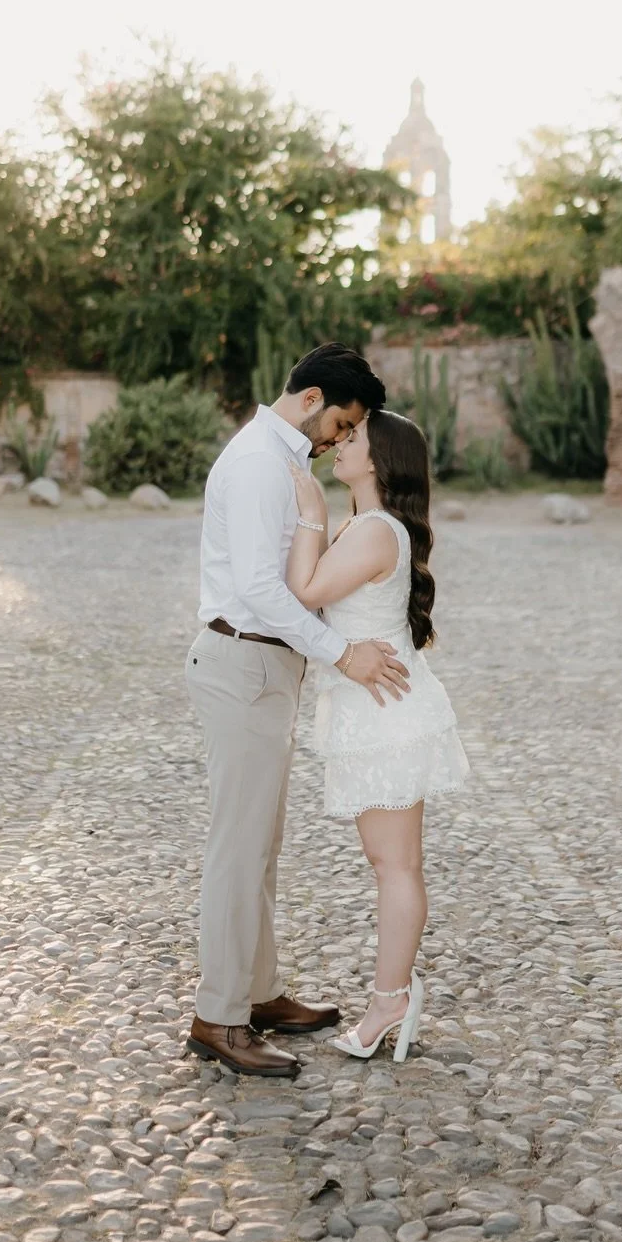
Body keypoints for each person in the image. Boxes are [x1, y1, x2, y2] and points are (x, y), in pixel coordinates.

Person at [185, 343, 411, 1080]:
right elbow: (258, 588)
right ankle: (219, 1016)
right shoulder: (258, 463)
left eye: (352, 433)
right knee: (237, 847)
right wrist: (341, 653)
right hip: (243, 656)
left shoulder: (284, 461)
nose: (342, 439)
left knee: (261, 843)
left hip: (266, 666)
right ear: (311, 398)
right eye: (342, 423)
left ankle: (257, 991)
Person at [286, 407, 470, 1060]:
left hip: (386, 713)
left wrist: (307, 503)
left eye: (354, 437)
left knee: (397, 865)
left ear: (379, 458)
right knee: (390, 862)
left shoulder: (371, 531)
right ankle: (393, 991)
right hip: (374, 709)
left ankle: (391, 998)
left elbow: (302, 591)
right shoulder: (366, 527)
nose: (339, 442)